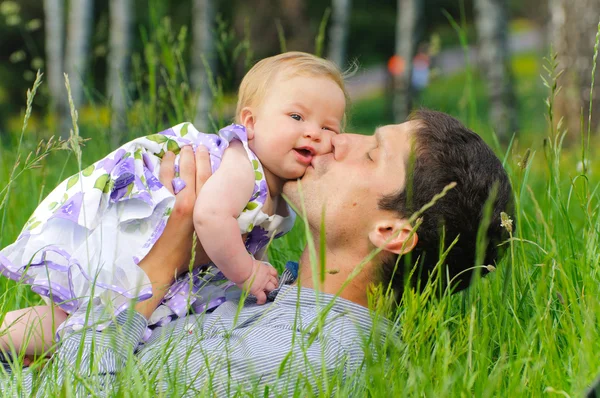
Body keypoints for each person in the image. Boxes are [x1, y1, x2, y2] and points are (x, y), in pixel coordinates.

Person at [0, 109, 512, 396]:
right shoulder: (268, 287)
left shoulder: (308, 358)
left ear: (392, 232)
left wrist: (161, 263)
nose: (335, 140)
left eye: (372, 153)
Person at [0, 52, 347, 358]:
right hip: (136, 244)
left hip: (163, 267)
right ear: (251, 123)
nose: (314, 133)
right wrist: (247, 273)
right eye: (297, 118)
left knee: (79, 322)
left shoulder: (279, 193)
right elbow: (210, 216)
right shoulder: (243, 164)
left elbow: (248, 238)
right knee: (103, 316)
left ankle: (12, 335)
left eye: (329, 126)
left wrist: (259, 270)